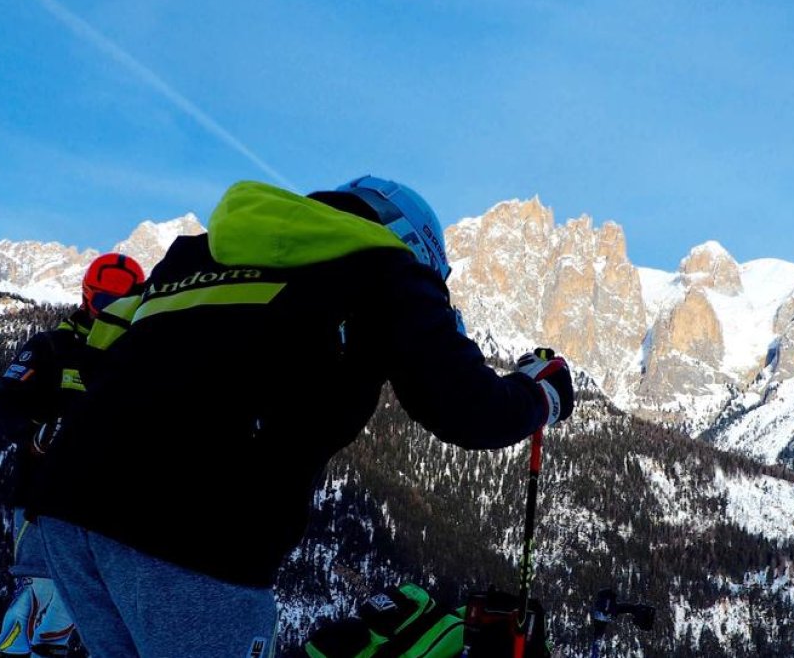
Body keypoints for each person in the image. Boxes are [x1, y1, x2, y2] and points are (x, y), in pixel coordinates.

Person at [31, 176, 575, 658]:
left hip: (66, 505)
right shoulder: (384, 267)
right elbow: (469, 410)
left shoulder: (194, 256)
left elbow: (104, 348)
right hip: (191, 530)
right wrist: (540, 395)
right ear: (412, 243)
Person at [0, 253, 146, 656]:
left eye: (123, 304)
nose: (111, 314)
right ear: (86, 297)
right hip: (40, 496)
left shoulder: (134, 355)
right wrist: (34, 434)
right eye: (103, 303)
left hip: (99, 500)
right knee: (39, 589)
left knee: (75, 601)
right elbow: (6, 402)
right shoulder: (52, 348)